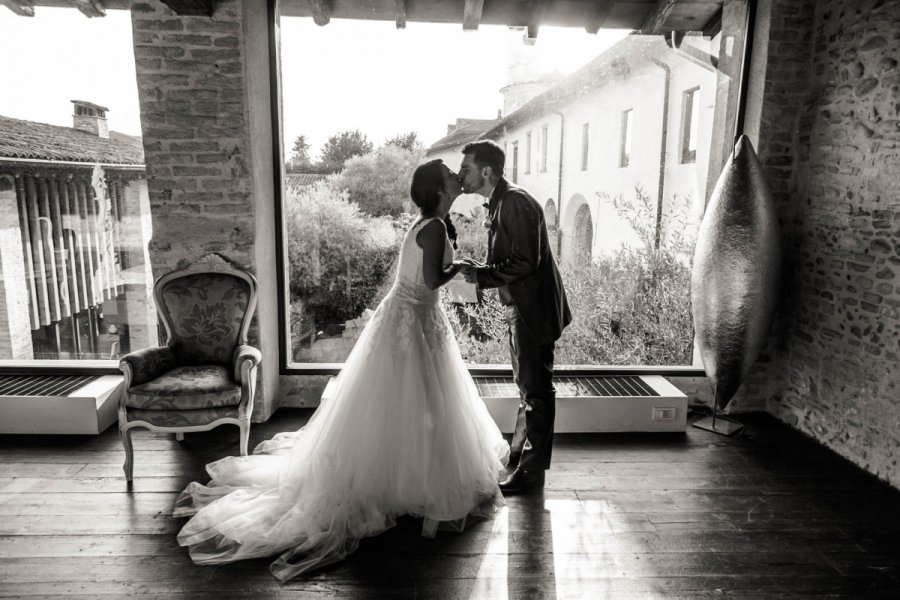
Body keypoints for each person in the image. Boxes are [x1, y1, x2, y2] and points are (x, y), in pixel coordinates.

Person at [173, 159, 509, 581]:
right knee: (417, 397)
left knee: (405, 399)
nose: (458, 177)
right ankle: (412, 482)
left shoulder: (427, 223)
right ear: (439, 189)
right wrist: (461, 268)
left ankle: (402, 477)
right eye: (450, 174)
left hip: (409, 318)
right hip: (415, 320)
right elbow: (432, 279)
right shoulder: (436, 228)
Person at [458, 140, 571, 496]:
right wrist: (479, 269)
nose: (462, 174)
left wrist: (483, 277)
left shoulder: (516, 201)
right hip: (520, 307)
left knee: (536, 390)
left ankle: (531, 473)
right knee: (527, 385)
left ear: (486, 171)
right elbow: (513, 257)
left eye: (467, 168)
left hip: (532, 309)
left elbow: (526, 261)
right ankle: (520, 454)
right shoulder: (503, 200)